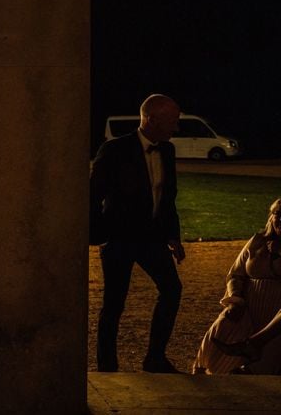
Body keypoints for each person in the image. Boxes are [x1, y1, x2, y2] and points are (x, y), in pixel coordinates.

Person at [91, 93, 186, 373]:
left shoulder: (167, 151)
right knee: (113, 303)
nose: (176, 129)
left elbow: (167, 197)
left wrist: (173, 235)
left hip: (152, 238)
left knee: (172, 290)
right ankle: (107, 366)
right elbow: (93, 194)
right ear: (150, 119)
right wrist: (100, 234)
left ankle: (155, 358)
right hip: (118, 239)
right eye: (172, 121)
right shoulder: (114, 150)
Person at [193, 198, 281, 374]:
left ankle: (254, 347)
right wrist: (235, 300)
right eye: (278, 214)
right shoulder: (257, 241)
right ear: (271, 217)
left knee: (259, 369)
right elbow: (235, 274)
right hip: (248, 310)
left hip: (276, 319)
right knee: (221, 328)